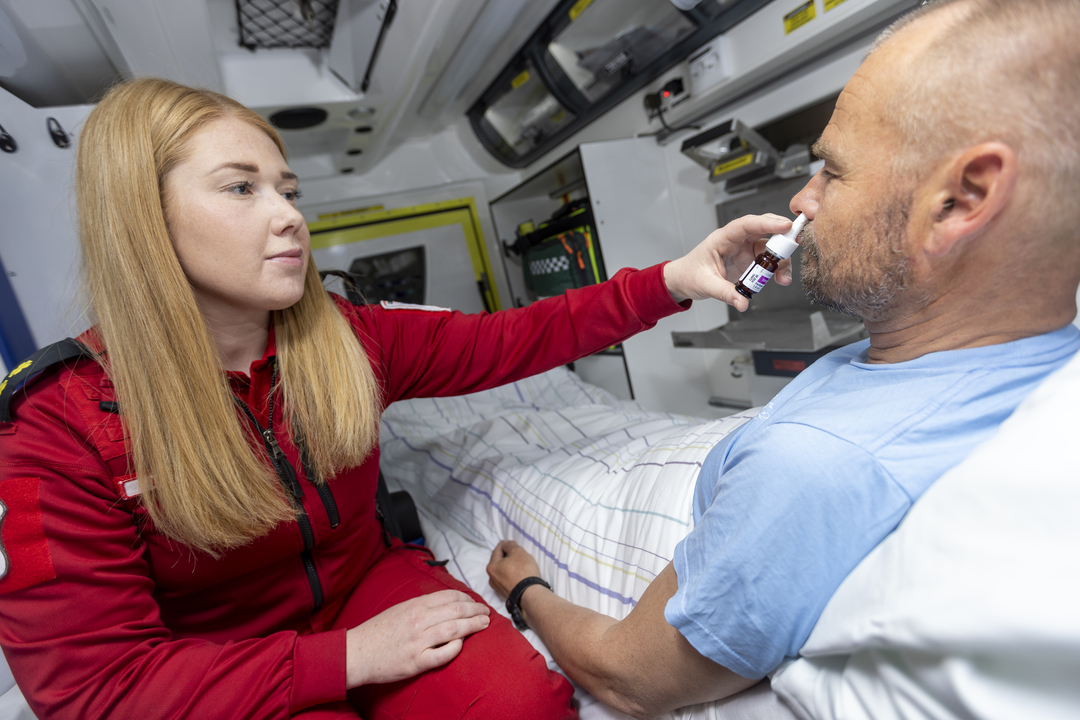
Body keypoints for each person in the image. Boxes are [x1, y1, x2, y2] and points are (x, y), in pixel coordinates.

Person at [0, 78, 793, 719]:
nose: (289, 218)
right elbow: (94, 690)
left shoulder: (343, 336)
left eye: (287, 188)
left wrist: (669, 283)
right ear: (145, 219)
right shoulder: (57, 425)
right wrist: (347, 660)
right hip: (211, 654)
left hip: (360, 581)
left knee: (516, 706)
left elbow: (513, 340)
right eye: (241, 189)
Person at [486, 0, 1080, 717]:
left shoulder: (816, 471)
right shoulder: (1035, 349)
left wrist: (526, 589)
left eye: (831, 170)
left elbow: (625, 678)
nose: (803, 197)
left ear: (961, 200)